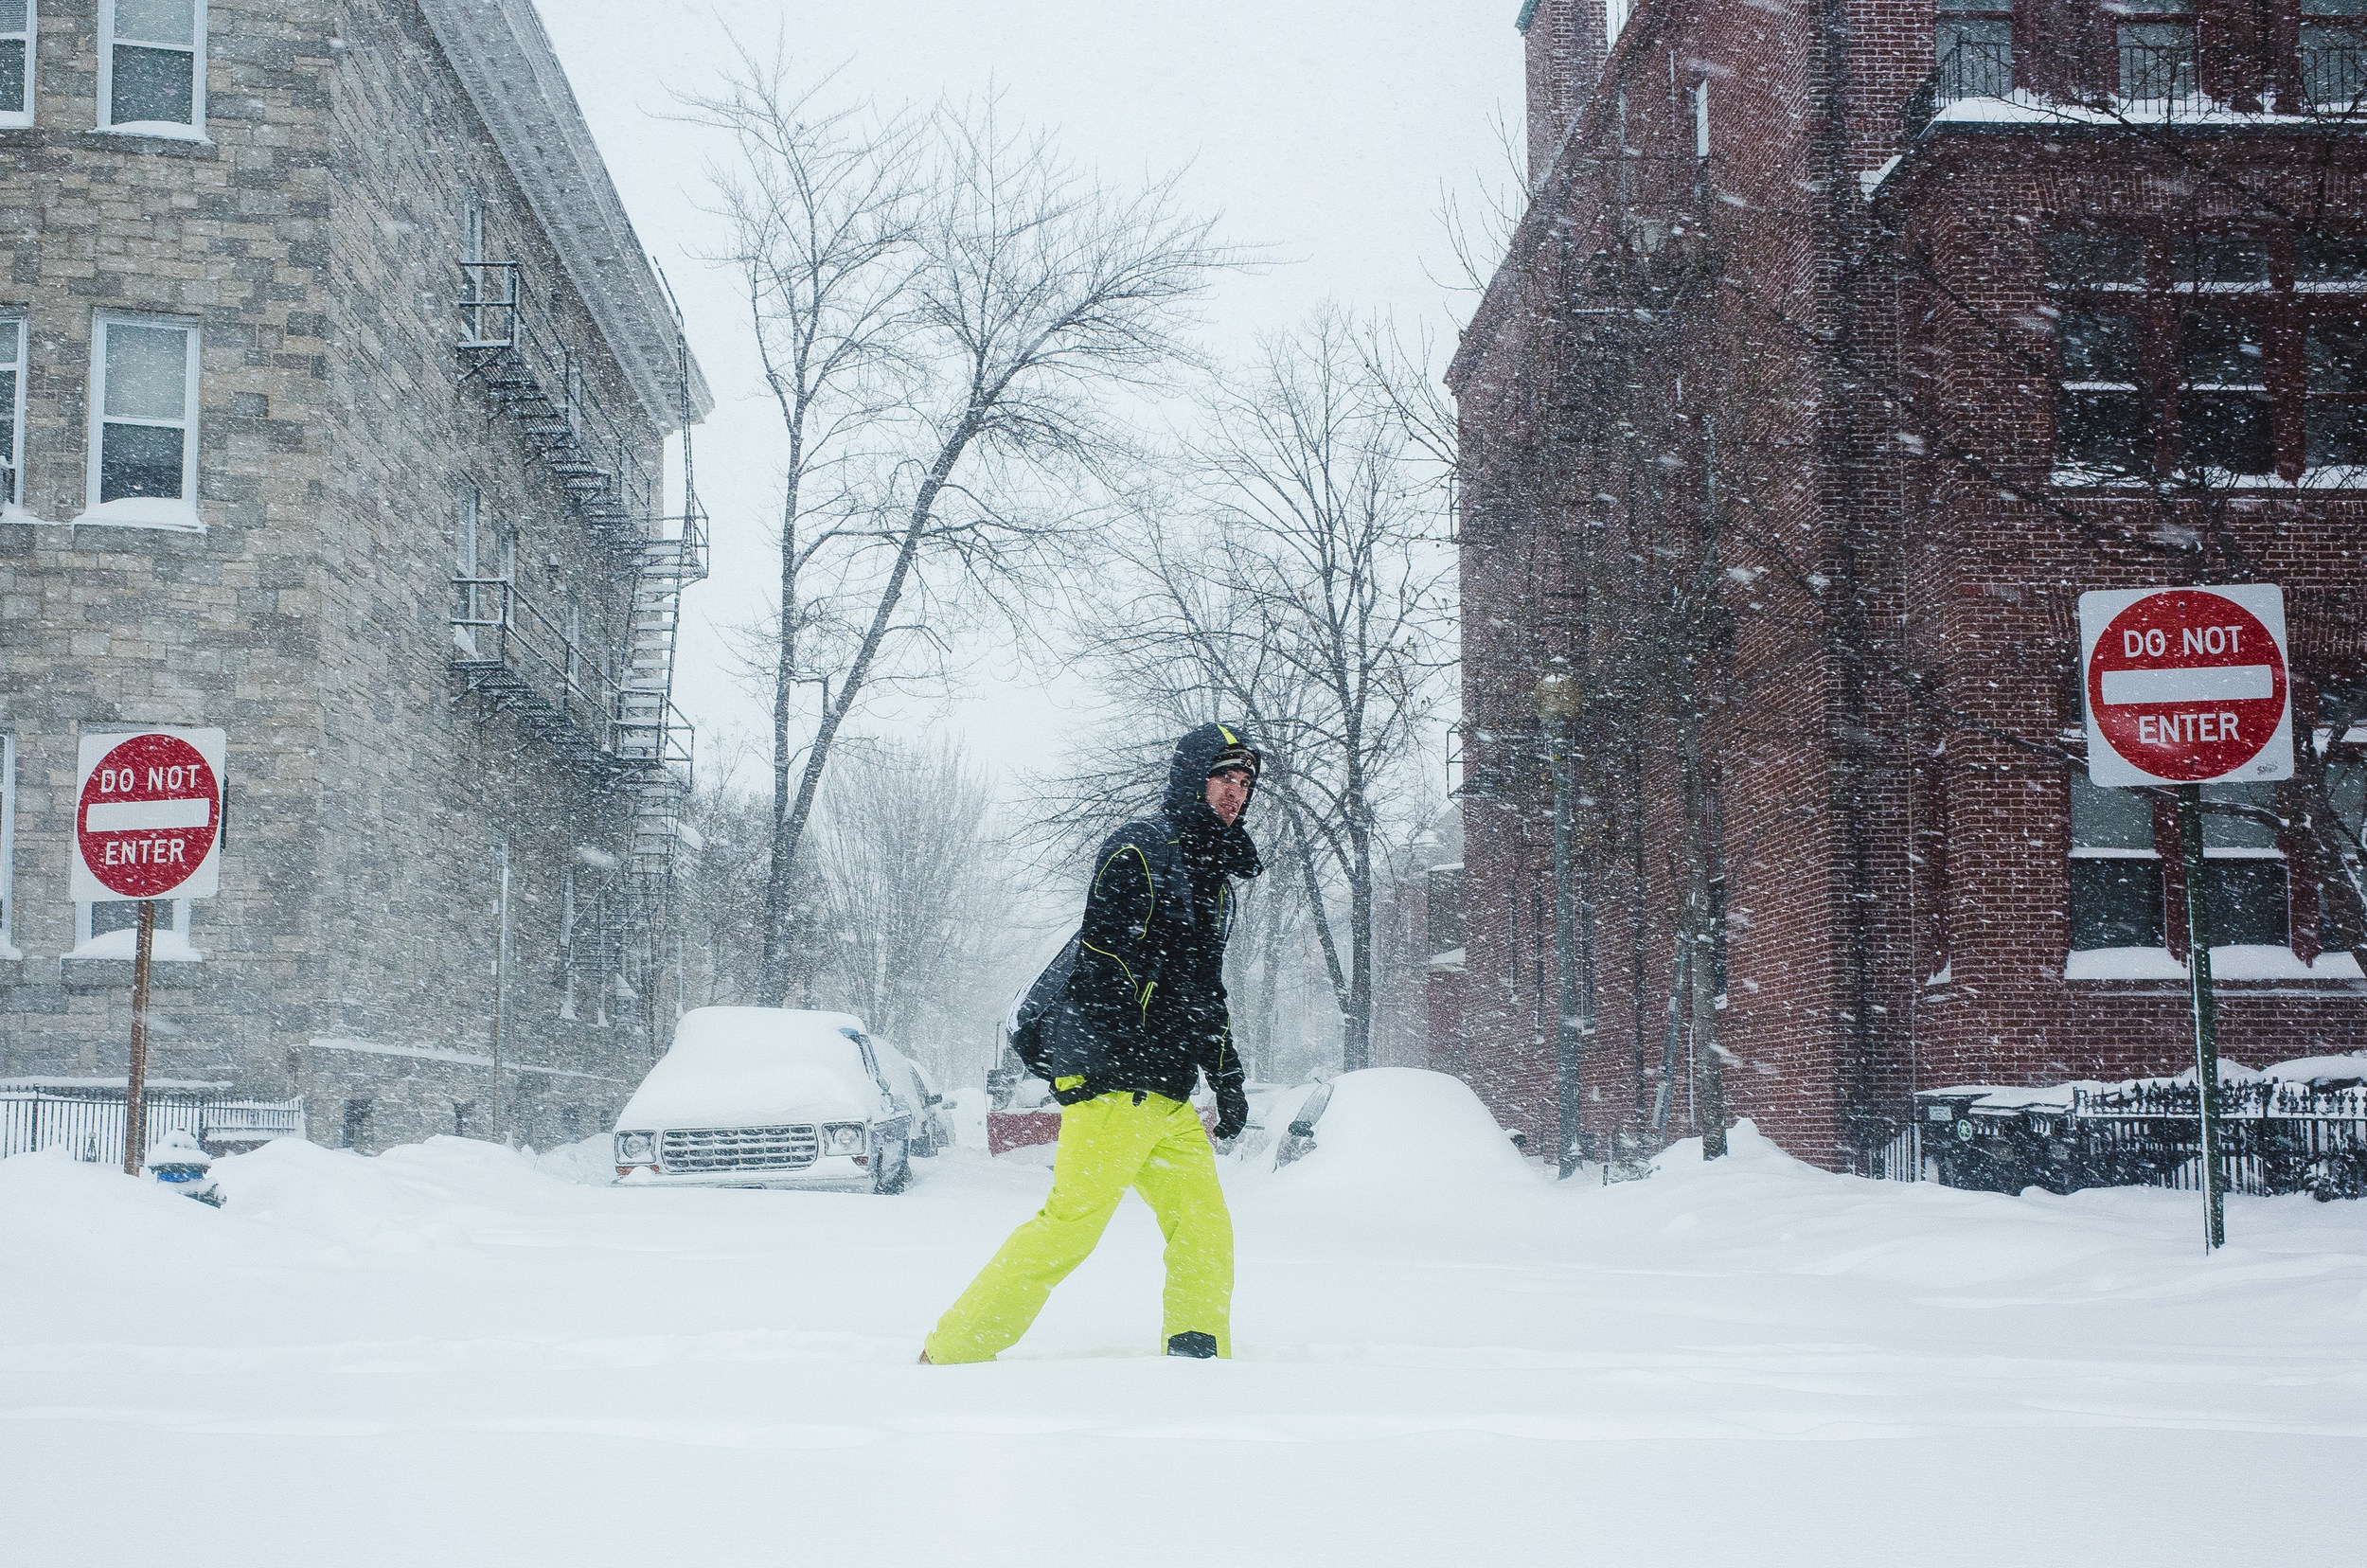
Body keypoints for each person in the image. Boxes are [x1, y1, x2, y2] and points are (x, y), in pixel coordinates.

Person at [922, 722, 1264, 1363]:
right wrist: (1142, 1040)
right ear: (1193, 778)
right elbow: (1107, 961)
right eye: (1224, 778)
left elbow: (1205, 992)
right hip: (1115, 1080)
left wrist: (1228, 1079)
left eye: (1244, 784)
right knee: (1070, 1229)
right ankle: (952, 1352)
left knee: (1203, 1227)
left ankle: (1197, 1356)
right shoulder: (1139, 851)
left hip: (1163, 1095)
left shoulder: (1215, 882)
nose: (1235, 794)